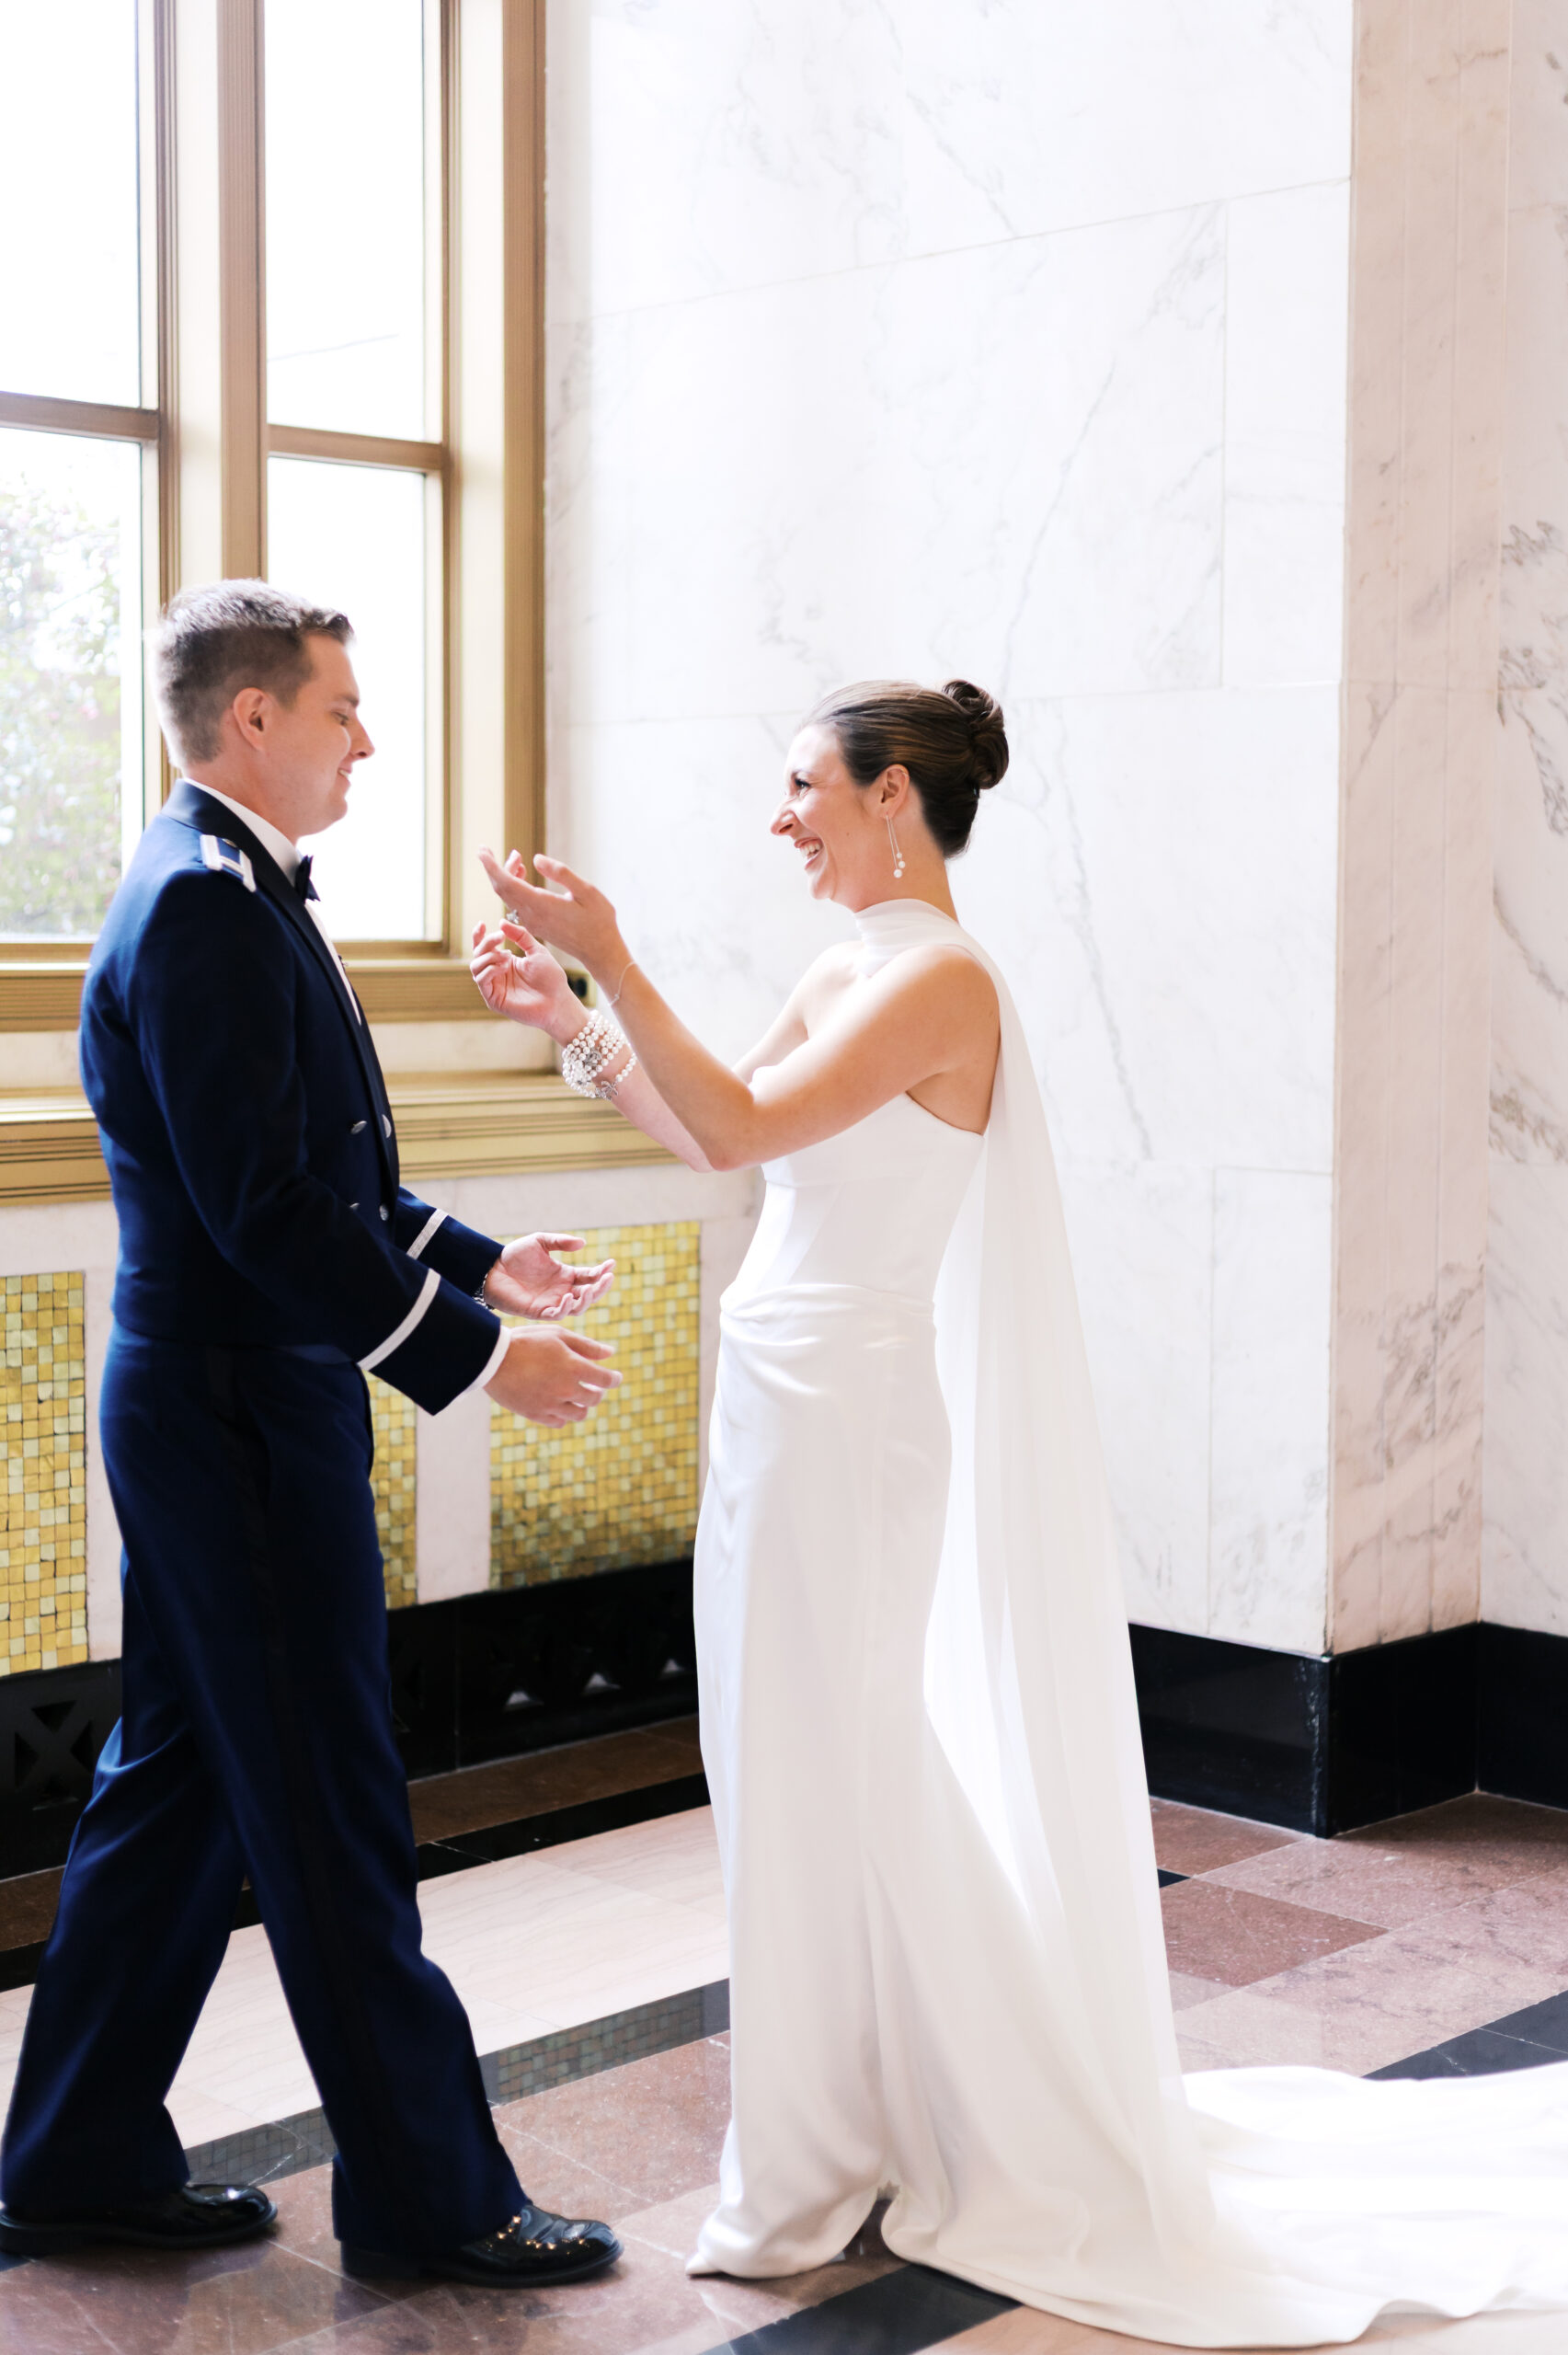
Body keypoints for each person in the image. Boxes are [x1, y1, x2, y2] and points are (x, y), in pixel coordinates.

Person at [472, 675, 1568, 2348]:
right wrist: (571, 1018)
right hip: (780, 1404)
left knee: (822, 1762)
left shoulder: (942, 981)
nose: (779, 820)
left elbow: (747, 1116)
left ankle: (828, 2156)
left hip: (847, 1419)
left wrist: (608, 956)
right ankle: (872, 2115)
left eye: (801, 790)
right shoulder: (847, 964)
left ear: (894, 793)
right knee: (798, 1768)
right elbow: (713, 1145)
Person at [0, 582, 624, 2290]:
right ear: (253, 720)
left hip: (228, 1402)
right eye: (342, 706)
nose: (366, 735)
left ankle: (68, 2160)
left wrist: (486, 1258)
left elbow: (326, 1171)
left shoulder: (227, 887)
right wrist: (488, 1356)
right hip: (233, 1415)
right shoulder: (203, 906)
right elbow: (270, 1213)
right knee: (333, 1807)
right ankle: (433, 2202)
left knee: (185, 1789)